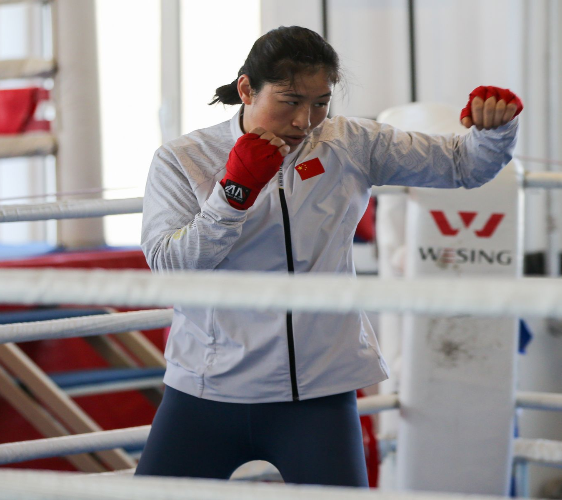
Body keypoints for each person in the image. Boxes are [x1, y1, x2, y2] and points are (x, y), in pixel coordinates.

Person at [136, 25, 522, 487]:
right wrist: (233, 194)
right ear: (246, 89)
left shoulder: (349, 143)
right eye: (290, 101)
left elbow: (462, 164)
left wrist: (493, 131)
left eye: (321, 103)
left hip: (318, 393)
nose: (305, 120)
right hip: (206, 389)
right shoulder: (184, 159)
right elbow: (169, 267)